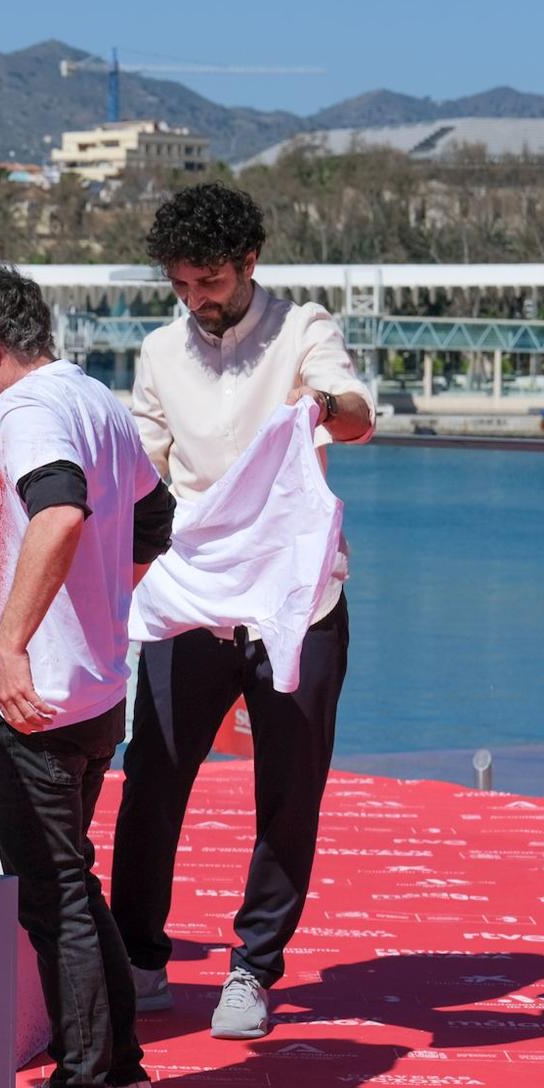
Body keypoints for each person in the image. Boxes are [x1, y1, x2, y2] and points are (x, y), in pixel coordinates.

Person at [110, 183, 374, 1040]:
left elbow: (359, 414)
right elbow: (142, 467)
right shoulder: (157, 352)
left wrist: (325, 409)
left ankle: (255, 967)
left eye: (210, 281)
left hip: (298, 597)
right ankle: (140, 960)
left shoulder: (305, 328)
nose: (198, 300)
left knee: (289, 789)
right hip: (191, 592)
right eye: (182, 285)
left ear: (249, 261)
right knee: (153, 778)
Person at [0, 263, 173, 1088]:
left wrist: (12, 640)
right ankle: (122, 1072)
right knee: (77, 884)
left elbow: (59, 512)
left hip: (37, 697)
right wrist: (99, 603)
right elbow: (155, 515)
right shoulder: (90, 398)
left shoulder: (27, 411)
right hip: (96, 688)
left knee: (54, 896)